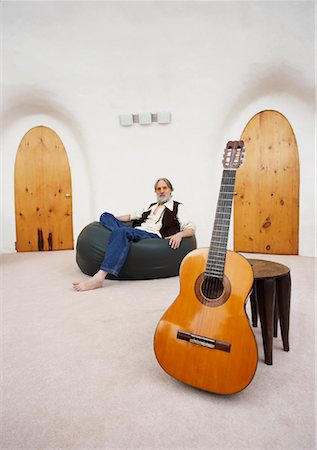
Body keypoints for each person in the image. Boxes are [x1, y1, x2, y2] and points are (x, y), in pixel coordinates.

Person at [73, 178, 196, 291]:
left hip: (151, 235)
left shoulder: (177, 207)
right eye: (159, 189)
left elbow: (190, 228)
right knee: (105, 216)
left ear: (170, 190)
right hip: (137, 230)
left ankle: (99, 277)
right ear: (155, 192)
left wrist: (179, 235)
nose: (162, 191)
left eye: (165, 188)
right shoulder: (151, 207)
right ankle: (120, 236)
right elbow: (130, 216)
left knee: (121, 232)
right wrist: (113, 220)